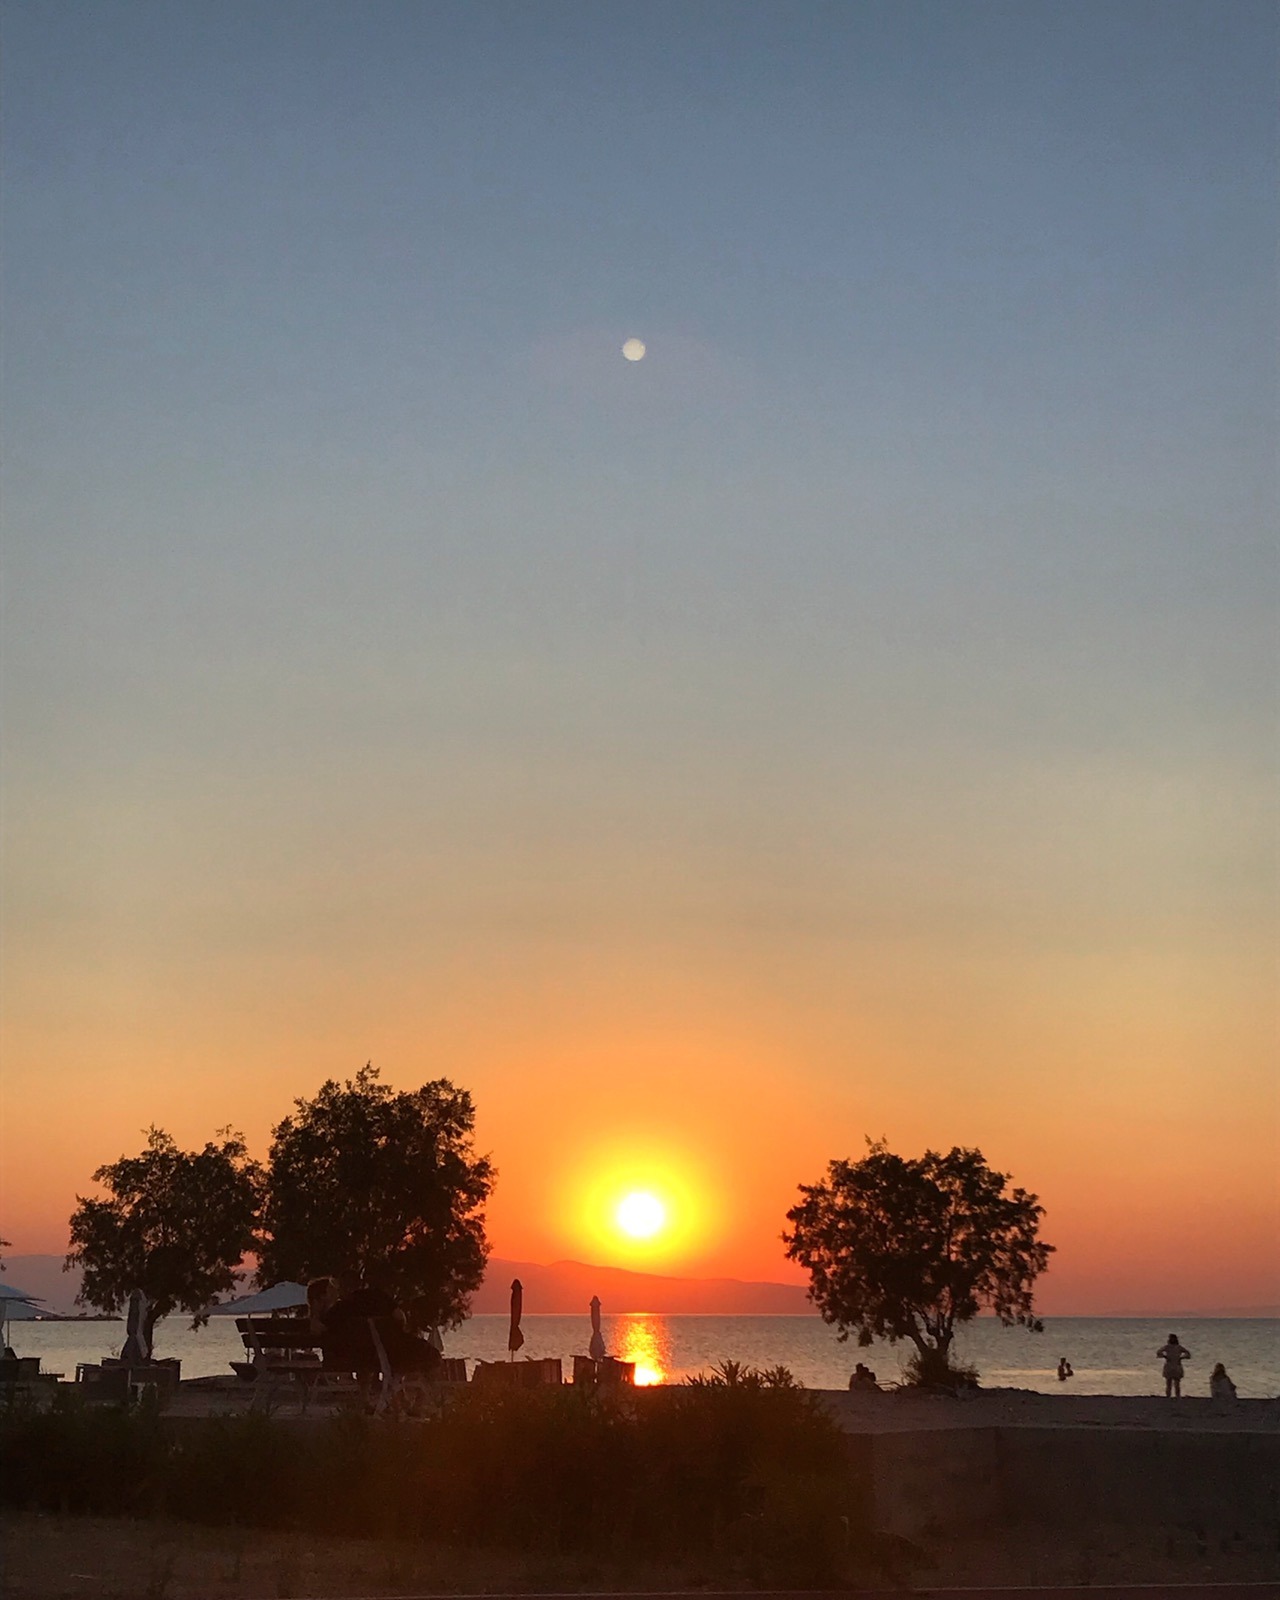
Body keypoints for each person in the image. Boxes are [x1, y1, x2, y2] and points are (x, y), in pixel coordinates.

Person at [1157, 1333, 1191, 1397]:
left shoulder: (1178, 1347)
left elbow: (1188, 1354)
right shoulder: (1168, 1347)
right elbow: (1159, 1352)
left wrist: (1181, 1358)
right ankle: (1168, 1396)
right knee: (1169, 1383)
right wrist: (1165, 1356)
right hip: (1170, 1365)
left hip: (1175, 1365)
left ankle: (1177, 1396)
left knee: (1176, 1383)